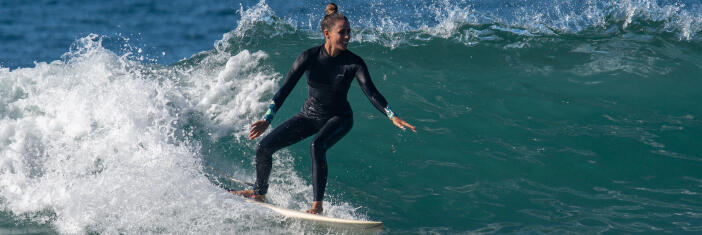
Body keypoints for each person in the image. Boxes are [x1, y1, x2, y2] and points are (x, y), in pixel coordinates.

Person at [232, 3, 416, 214]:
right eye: (342, 32)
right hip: (309, 116)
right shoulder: (308, 57)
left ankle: (317, 206)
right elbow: (284, 90)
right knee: (264, 147)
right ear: (327, 33)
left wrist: (391, 115)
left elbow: (371, 92)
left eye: (349, 32)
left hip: (340, 117)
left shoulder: (353, 63)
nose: (348, 36)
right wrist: (268, 119)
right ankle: (259, 192)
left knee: (317, 145)